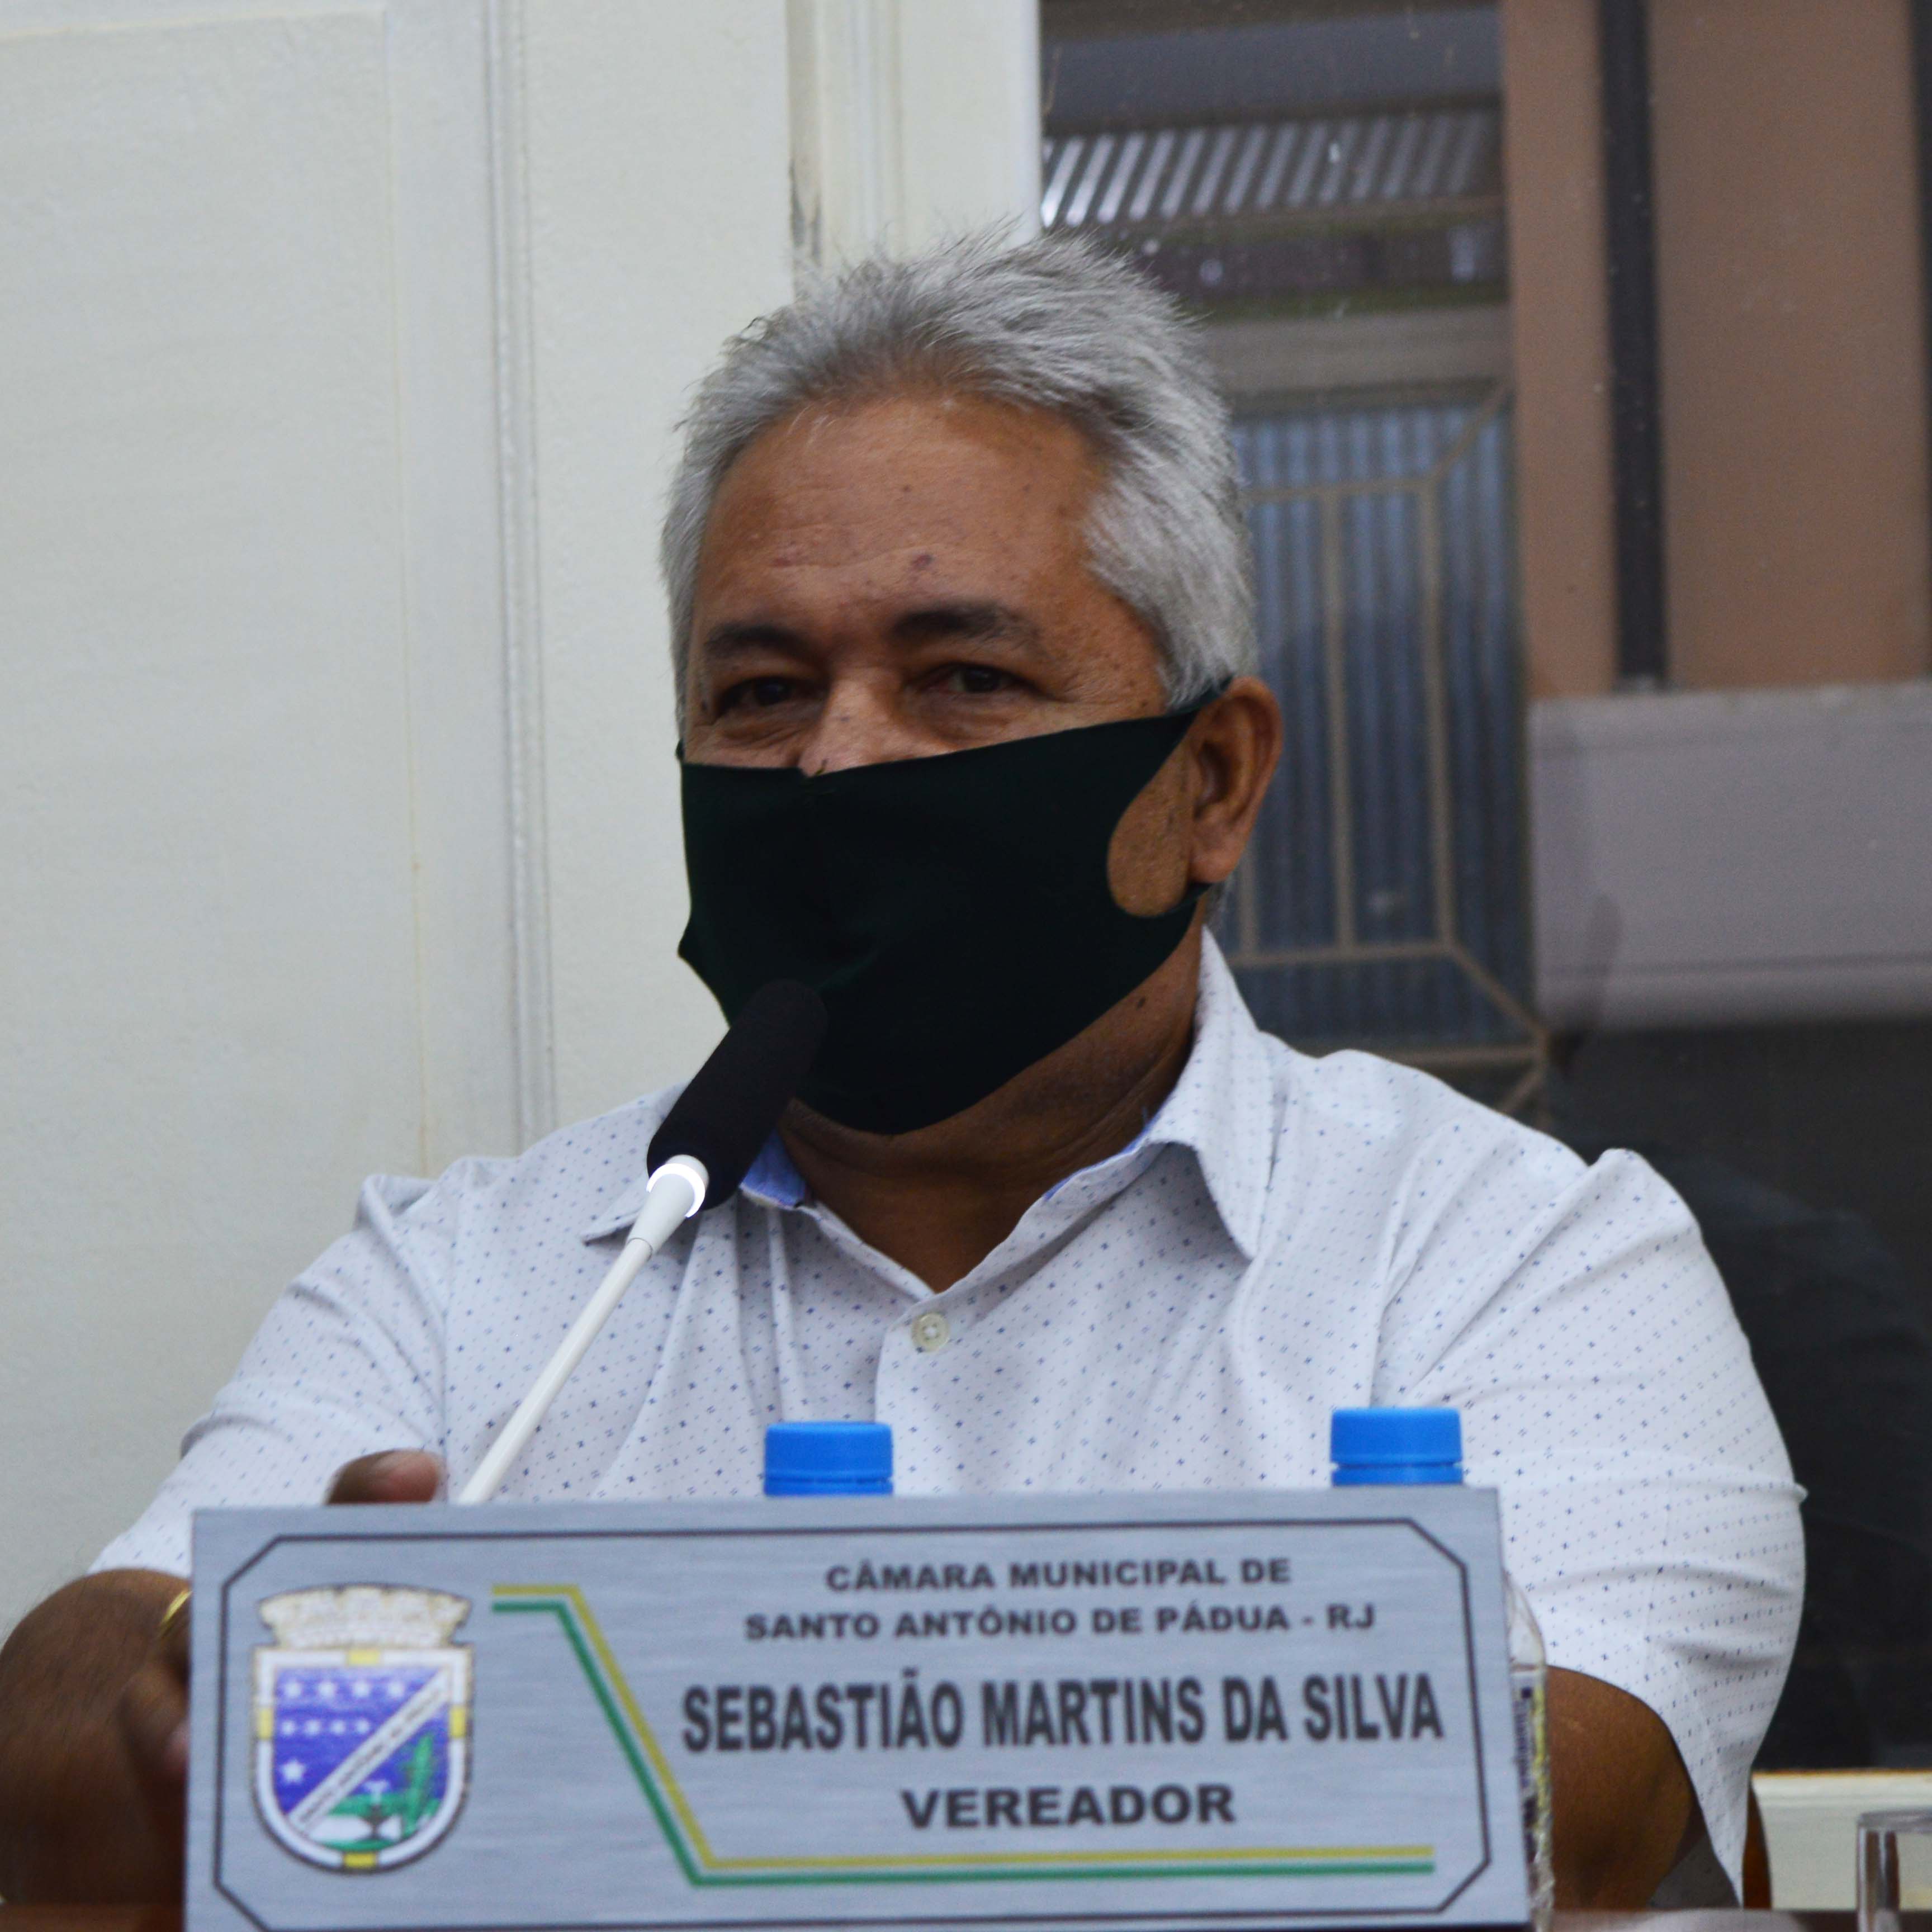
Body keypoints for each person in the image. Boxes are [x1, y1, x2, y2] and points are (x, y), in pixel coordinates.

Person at [0, 233, 1801, 1907]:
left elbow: (1560, 1808)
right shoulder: (473, 1285)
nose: (839, 765)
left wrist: (629, 1724)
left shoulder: (1512, 1263)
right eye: (764, 693)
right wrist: (192, 1690)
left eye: (962, 679)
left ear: (1211, 784)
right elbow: (62, 1730)